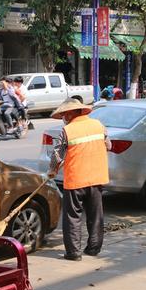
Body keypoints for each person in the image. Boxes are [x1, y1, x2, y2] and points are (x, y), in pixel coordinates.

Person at [48, 98, 111, 261]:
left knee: (72, 217)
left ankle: (74, 252)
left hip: (76, 179)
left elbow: (57, 155)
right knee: (95, 215)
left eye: (64, 114)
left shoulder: (67, 130)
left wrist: (52, 171)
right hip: (97, 178)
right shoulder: (99, 125)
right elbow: (108, 146)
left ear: (70, 113)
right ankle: (93, 248)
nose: (63, 117)